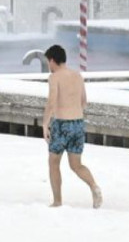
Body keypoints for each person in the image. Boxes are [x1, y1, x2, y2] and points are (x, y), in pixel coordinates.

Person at [42, 44, 102, 209]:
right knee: (76, 165)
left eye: (48, 62)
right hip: (78, 124)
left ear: (53, 60)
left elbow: (52, 101)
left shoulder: (54, 78)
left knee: (54, 162)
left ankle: (57, 201)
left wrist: (45, 123)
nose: (49, 66)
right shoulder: (77, 76)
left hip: (62, 124)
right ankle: (94, 186)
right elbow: (84, 102)